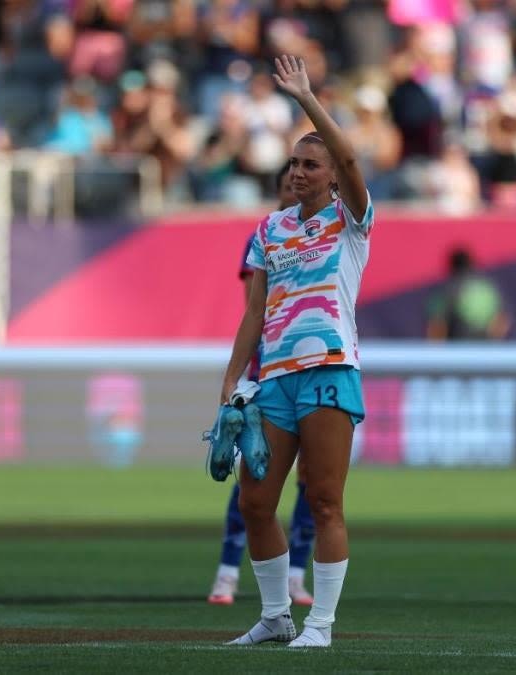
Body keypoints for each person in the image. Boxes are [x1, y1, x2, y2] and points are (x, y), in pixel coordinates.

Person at [221, 54, 373, 648]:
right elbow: (253, 314)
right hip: (276, 379)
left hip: (331, 371)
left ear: (334, 173)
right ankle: (276, 615)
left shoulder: (351, 221)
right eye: (295, 163)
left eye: (312, 164)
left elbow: (355, 156)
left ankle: (321, 624)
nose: (300, 172)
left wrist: (308, 99)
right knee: (256, 500)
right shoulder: (269, 230)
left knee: (324, 498)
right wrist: (233, 380)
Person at [207, 164, 315, 608]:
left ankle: (295, 574)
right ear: (277, 192)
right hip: (268, 371)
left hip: (313, 369)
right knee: (253, 473)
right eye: (289, 181)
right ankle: (229, 572)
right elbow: (256, 307)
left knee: (313, 478)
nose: (297, 185)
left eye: (305, 176)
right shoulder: (266, 236)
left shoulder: (327, 237)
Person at [426, 247, 510, 341]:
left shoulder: (446, 289)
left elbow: (437, 325)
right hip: (487, 351)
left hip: (460, 350)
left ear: (451, 266)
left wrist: (437, 352)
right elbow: (501, 321)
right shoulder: (488, 287)